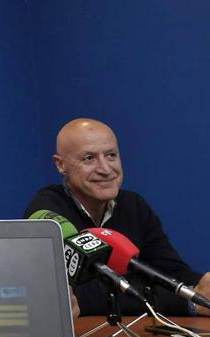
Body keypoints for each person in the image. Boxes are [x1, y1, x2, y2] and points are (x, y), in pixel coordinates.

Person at [25, 117, 210, 316]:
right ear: (61, 165)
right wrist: (186, 303)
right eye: (89, 158)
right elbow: (80, 296)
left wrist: (201, 287)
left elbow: (169, 272)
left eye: (111, 155)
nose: (105, 169)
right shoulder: (47, 215)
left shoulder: (134, 205)